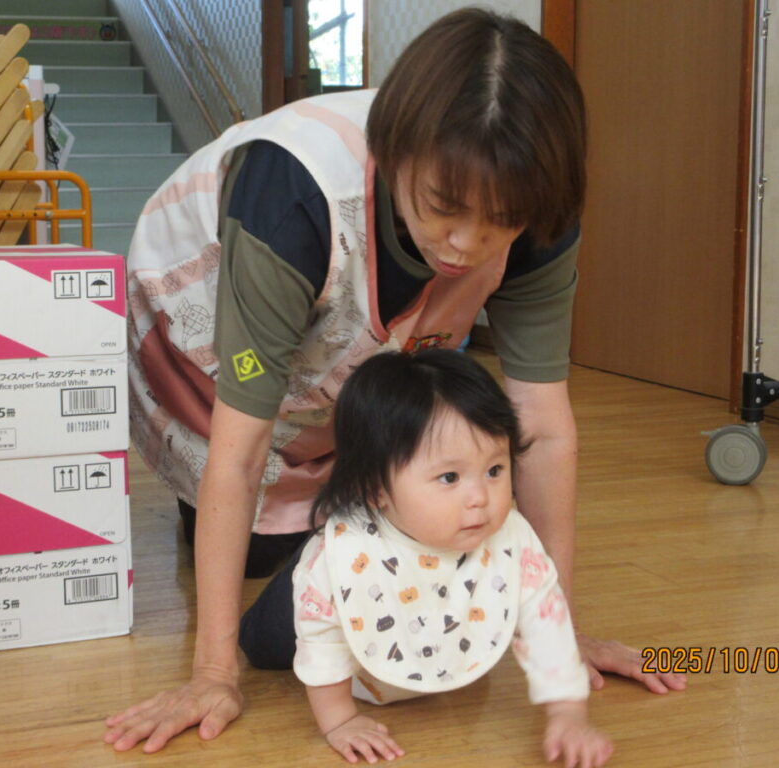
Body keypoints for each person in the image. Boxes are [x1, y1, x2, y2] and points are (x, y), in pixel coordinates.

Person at [106, 7, 685, 755]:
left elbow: (540, 425)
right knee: (259, 546)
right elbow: (240, 448)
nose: (466, 245)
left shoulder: (540, 212)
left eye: (500, 222)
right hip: (205, 351)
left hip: (349, 377)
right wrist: (214, 673)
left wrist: (559, 638)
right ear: (395, 149)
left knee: (408, 529)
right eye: (445, 208)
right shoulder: (293, 193)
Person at [239, 349, 613, 767]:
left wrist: (567, 714)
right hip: (311, 600)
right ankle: (283, 583)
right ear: (374, 488)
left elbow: (547, 621)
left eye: (494, 470)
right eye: (450, 477)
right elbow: (321, 637)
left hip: (405, 635)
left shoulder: (511, 539)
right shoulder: (341, 558)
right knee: (261, 646)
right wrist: (339, 720)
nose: (480, 498)